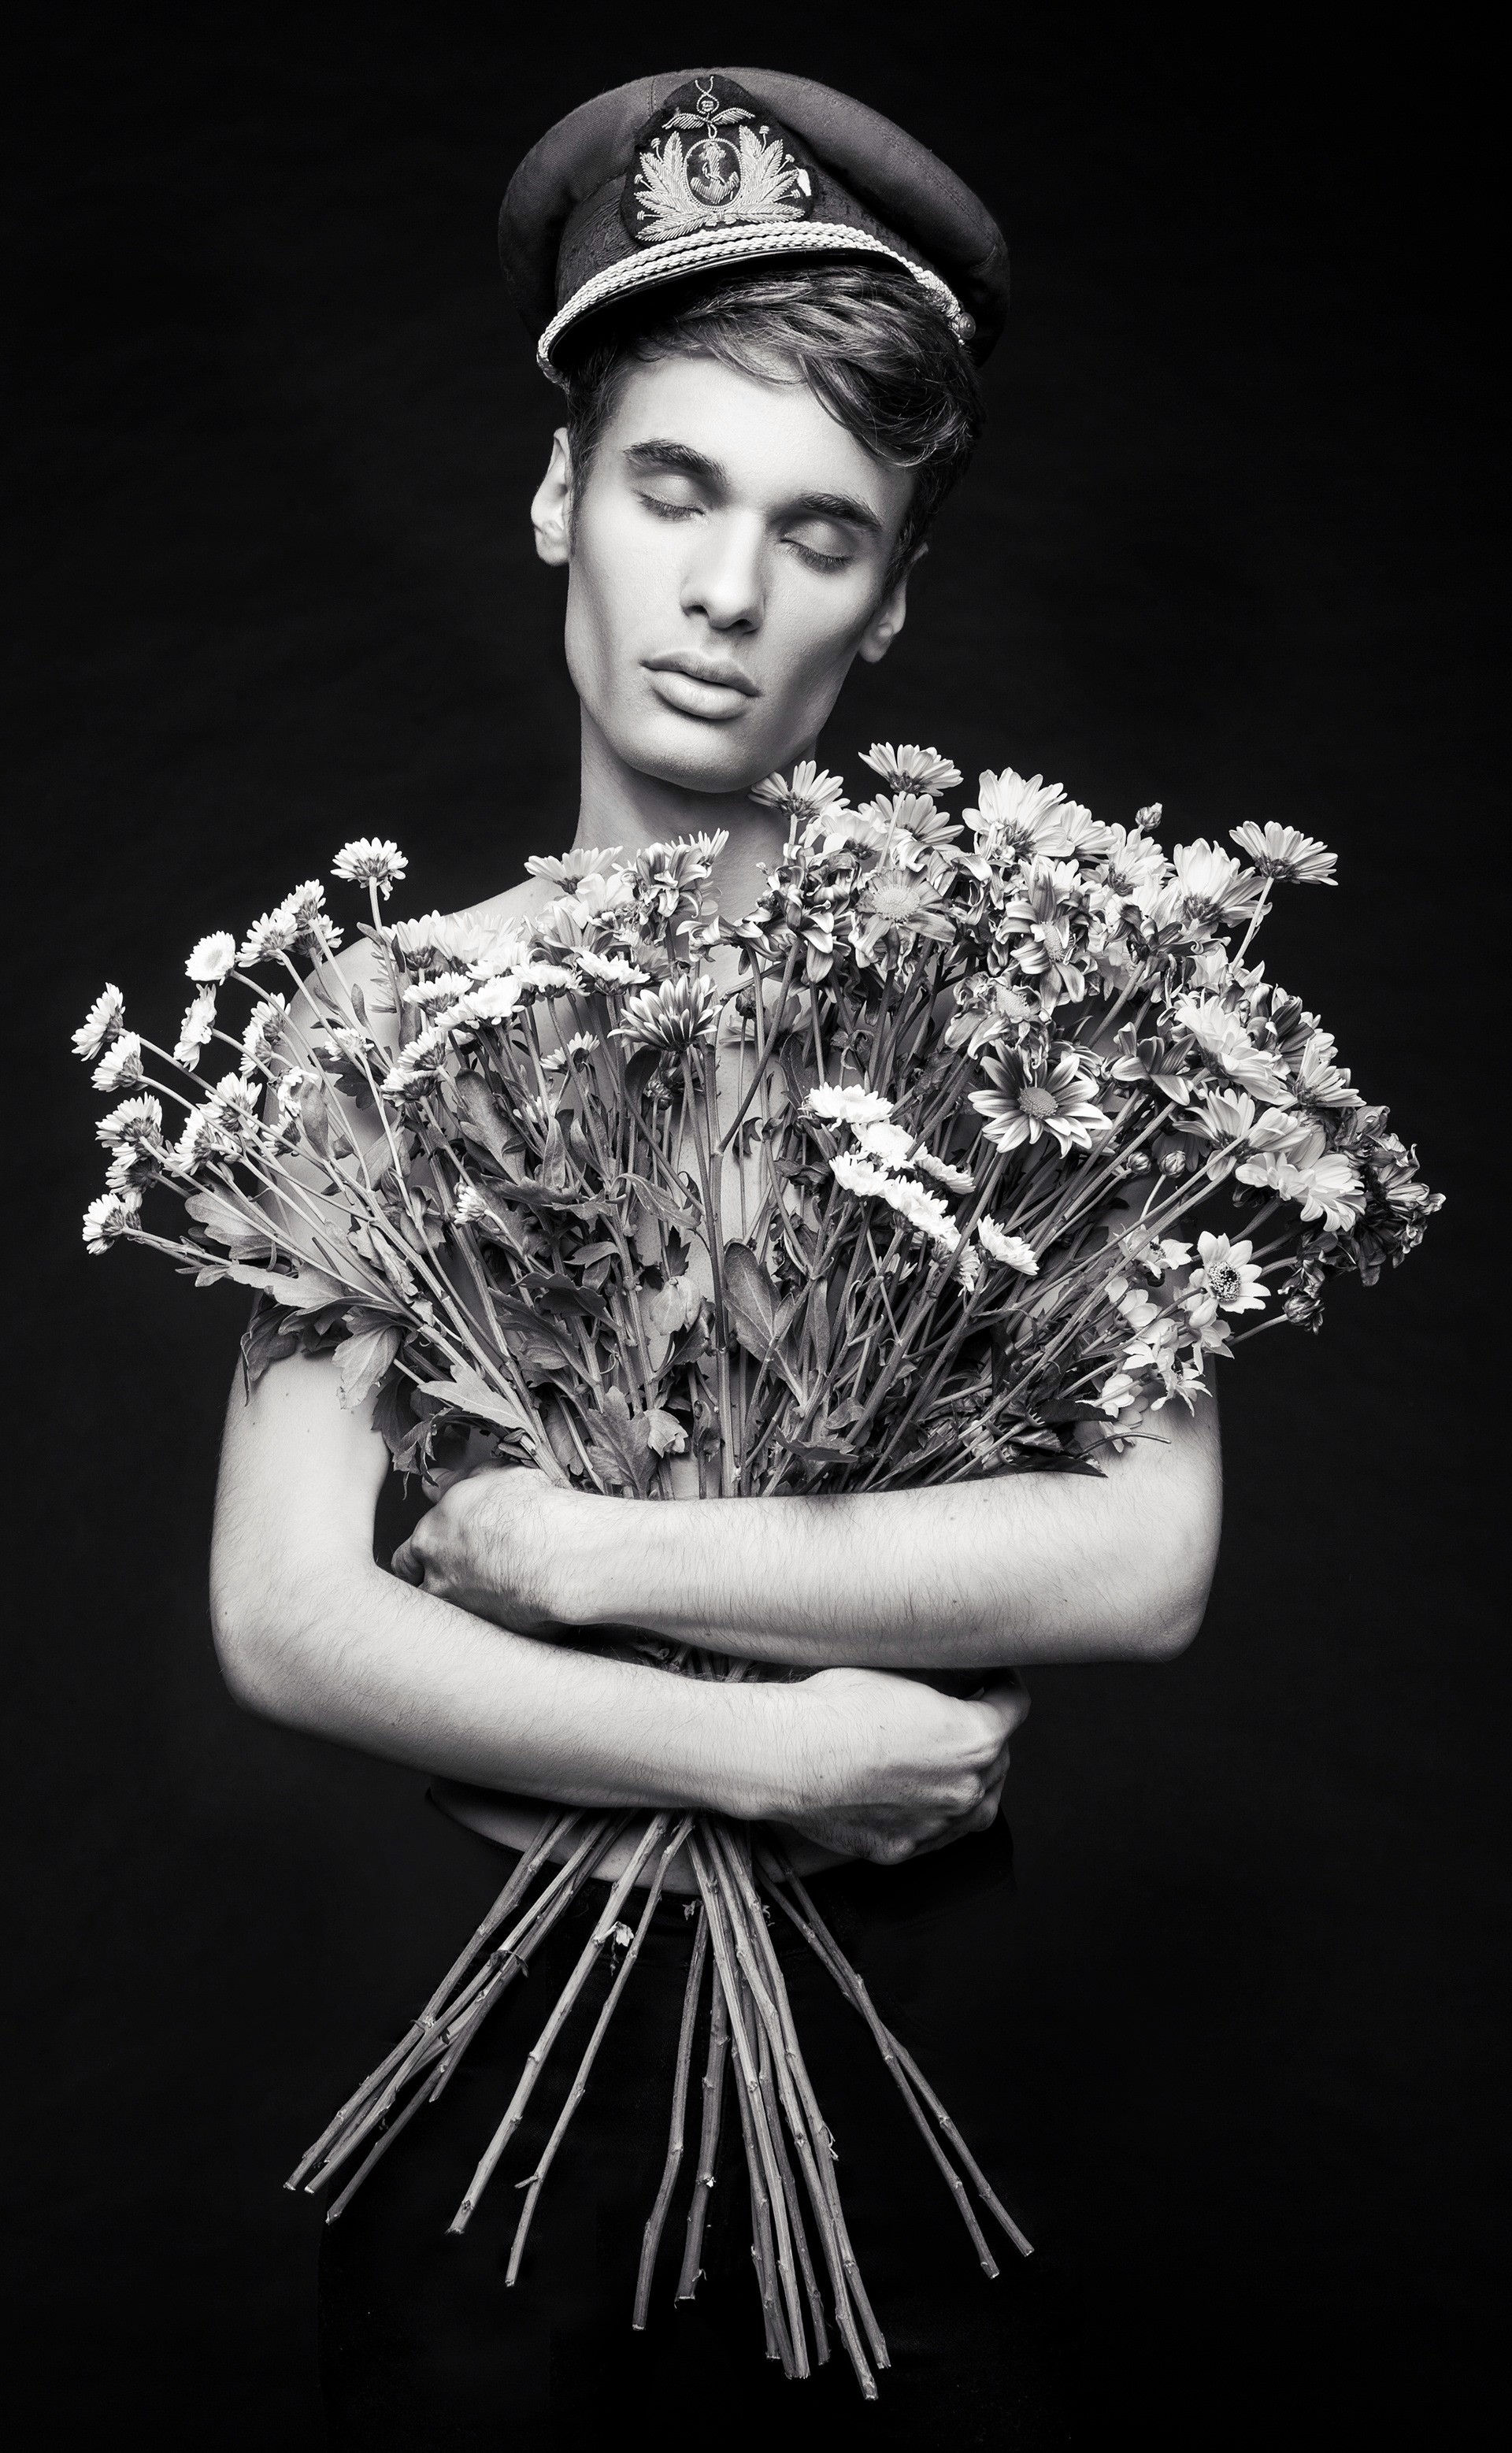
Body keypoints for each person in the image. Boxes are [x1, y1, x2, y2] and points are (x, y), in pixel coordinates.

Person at [209, 69, 1222, 2451]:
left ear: (893, 598)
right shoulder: (373, 1017)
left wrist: (581, 1557)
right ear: (559, 493)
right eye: (672, 488)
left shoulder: (1028, 1013)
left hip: (919, 2047)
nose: (728, 592)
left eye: (819, 530)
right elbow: (282, 1611)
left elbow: (1143, 1556)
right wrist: (774, 1752)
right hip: (499, 2037)